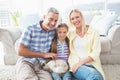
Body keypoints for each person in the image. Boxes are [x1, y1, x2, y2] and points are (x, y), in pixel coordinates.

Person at [16, 7, 59, 80]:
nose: (53, 23)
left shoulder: (54, 31)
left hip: (42, 65)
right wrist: (43, 54)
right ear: (44, 17)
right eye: (50, 19)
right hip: (27, 61)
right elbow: (20, 51)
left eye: (55, 21)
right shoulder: (30, 29)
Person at [67, 9, 105, 80]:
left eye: (77, 17)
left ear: (82, 17)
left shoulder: (94, 31)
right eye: (72, 19)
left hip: (93, 64)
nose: (75, 20)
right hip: (77, 65)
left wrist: (81, 62)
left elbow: (95, 52)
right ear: (70, 21)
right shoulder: (70, 33)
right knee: (94, 76)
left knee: (98, 77)